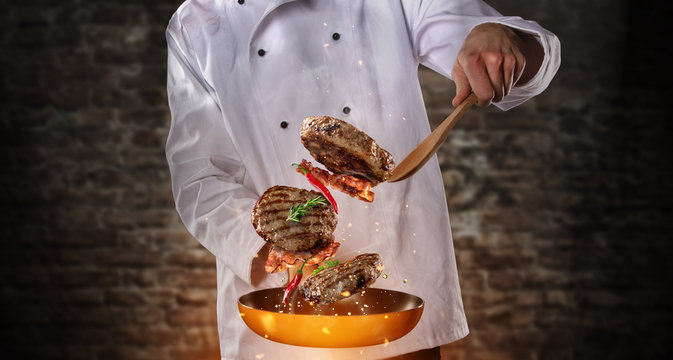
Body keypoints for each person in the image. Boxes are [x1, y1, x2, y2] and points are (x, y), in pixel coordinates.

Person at [165, 0, 560, 359]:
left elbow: (481, 40)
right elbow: (200, 174)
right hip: (279, 315)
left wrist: (498, 39)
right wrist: (273, 251)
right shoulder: (196, 23)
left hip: (397, 303)